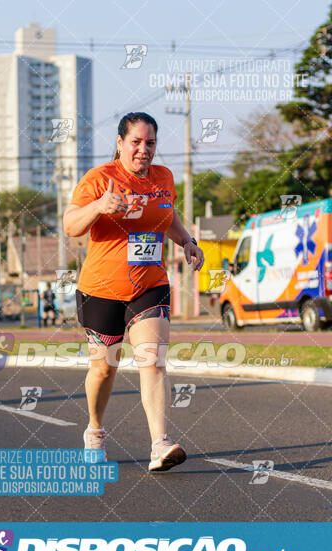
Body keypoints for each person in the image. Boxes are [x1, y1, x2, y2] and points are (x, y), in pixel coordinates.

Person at [63, 112, 204, 472]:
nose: (144, 150)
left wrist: (186, 241)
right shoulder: (99, 179)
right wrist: (98, 207)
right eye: (136, 142)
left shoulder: (164, 177)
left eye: (151, 143)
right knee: (104, 368)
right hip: (102, 288)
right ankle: (94, 430)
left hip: (149, 285)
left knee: (153, 361)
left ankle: (160, 444)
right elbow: (70, 225)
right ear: (120, 143)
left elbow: (166, 215)